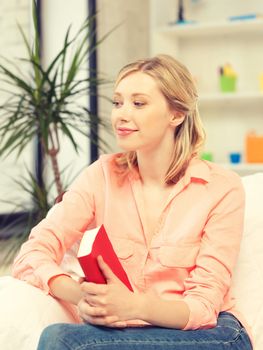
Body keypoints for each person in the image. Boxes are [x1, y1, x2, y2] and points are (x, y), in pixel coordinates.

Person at [11, 54, 252, 350]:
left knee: (63, 341)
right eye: (117, 102)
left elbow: (203, 308)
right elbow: (33, 253)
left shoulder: (221, 188)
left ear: (176, 114)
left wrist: (135, 306)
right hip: (129, 332)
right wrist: (85, 298)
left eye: (138, 103)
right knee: (61, 337)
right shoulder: (101, 176)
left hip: (211, 334)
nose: (121, 115)